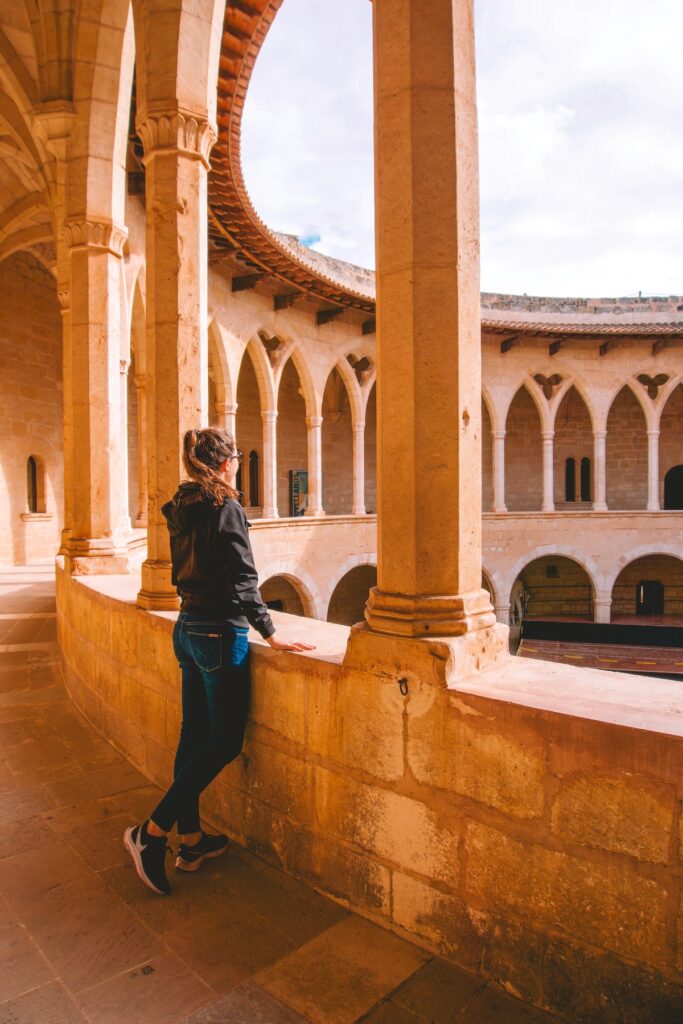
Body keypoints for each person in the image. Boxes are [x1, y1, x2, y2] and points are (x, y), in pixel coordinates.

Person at [124, 427, 314, 895]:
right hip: (216, 633)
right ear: (226, 462)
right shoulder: (224, 507)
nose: (236, 464)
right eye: (235, 457)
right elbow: (243, 577)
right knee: (225, 742)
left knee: (193, 740)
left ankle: (191, 841)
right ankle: (150, 832)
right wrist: (270, 632)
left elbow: (186, 571)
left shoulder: (182, 506)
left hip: (187, 629)